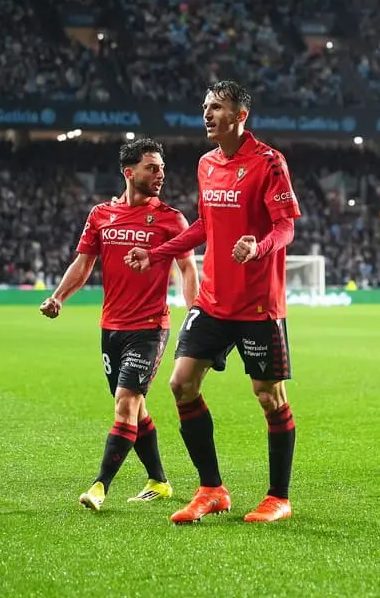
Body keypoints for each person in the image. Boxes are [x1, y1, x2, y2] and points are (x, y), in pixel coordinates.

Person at [125, 81, 301, 525]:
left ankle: (278, 497)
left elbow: (286, 229)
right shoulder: (206, 165)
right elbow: (203, 224)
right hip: (213, 300)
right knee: (181, 384)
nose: (207, 114)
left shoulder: (269, 162)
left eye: (217, 107)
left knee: (269, 396)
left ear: (240, 116)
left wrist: (258, 248)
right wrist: (157, 252)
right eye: (205, 106)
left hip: (259, 304)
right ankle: (211, 489)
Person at [39, 138, 198, 511]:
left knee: (125, 403)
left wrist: (194, 314)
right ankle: (159, 481)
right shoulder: (100, 215)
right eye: (151, 167)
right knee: (135, 408)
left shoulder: (171, 219)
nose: (160, 174)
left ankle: (99, 486)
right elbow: (83, 264)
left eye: (161, 167)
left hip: (149, 327)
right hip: (111, 328)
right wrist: (59, 296)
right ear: (129, 172)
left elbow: (188, 268)